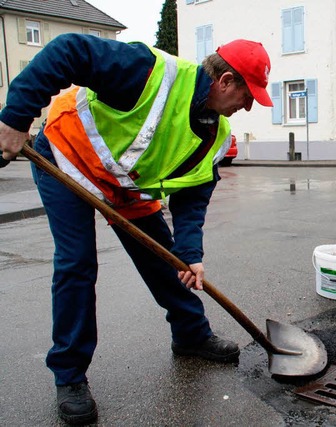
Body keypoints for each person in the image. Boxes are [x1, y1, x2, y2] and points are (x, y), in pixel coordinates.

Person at [0, 33, 272, 425]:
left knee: (165, 258)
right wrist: (15, 118)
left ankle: (191, 335)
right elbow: (67, 50)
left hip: (123, 182)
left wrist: (191, 255)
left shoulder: (216, 132)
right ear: (225, 80)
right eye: (248, 96)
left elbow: (192, 197)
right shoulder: (146, 71)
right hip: (67, 157)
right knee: (77, 264)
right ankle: (70, 375)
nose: (247, 107)